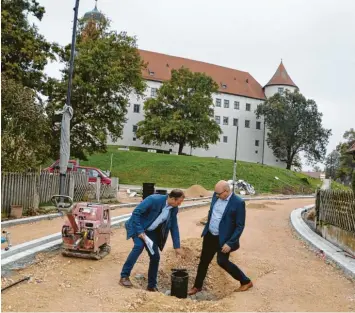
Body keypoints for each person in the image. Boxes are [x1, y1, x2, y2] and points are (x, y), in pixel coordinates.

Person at [188, 180, 253, 295]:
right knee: (204, 261)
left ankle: (245, 281)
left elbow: (240, 226)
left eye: (219, 194)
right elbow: (211, 212)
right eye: (216, 194)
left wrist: (230, 243)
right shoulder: (216, 195)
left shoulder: (238, 203)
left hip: (224, 239)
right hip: (210, 234)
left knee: (222, 261)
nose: (217, 196)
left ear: (227, 191)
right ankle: (197, 286)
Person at [119, 189, 185, 291]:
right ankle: (124, 276)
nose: (179, 205)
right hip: (137, 226)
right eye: (178, 202)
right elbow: (136, 213)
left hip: (150, 232)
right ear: (172, 198)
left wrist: (177, 246)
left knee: (155, 257)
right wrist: (140, 231)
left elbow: (174, 226)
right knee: (138, 246)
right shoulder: (153, 200)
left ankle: (151, 285)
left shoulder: (173, 208)